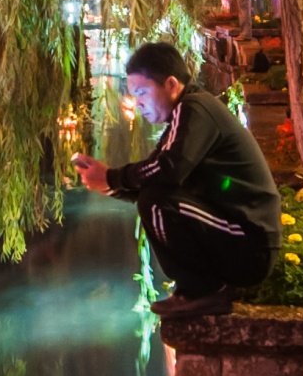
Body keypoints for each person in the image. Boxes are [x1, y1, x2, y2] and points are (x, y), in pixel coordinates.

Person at [74, 39, 282, 319]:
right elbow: (160, 177)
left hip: (250, 245)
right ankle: (197, 289)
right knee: (154, 198)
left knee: (155, 202)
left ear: (171, 85)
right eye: (134, 96)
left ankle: (202, 291)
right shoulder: (184, 116)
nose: (138, 105)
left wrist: (112, 176)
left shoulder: (196, 108)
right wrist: (110, 186)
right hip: (238, 241)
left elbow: (167, 171)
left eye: (143, 93)